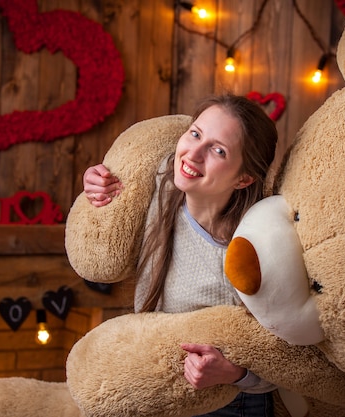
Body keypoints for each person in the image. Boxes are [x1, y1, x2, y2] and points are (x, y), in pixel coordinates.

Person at [82, 94, 278, 417]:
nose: (194, 154)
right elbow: (109, 196)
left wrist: (235, 373)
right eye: (196, 134)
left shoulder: (250, 252)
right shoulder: (161, 185)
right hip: (159, 388)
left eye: (218, 150)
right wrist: (96, 184)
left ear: (244, 178)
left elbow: (285, 355)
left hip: (231, 403)